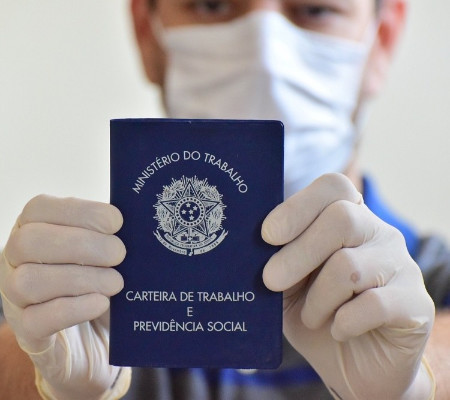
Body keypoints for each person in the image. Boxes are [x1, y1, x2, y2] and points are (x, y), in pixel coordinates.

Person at [1, 0, 450, 398]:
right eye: (212, 5)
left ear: (383, 38)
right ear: (146, 32)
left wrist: (415, 385)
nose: (265, 56)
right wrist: (43, 380)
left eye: (315, 9)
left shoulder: (441, 284)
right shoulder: (33, 299)